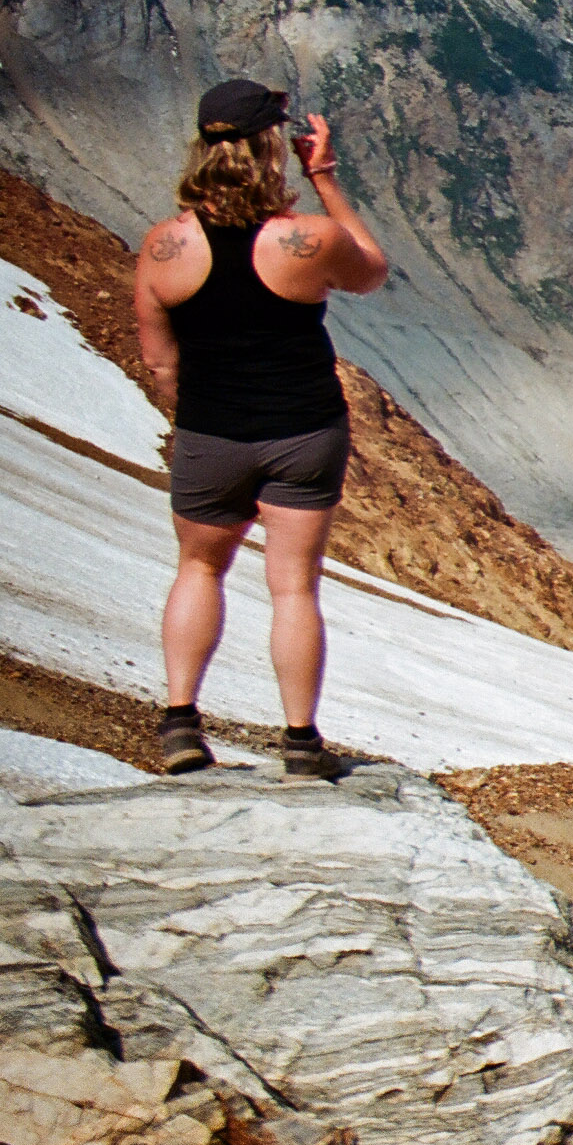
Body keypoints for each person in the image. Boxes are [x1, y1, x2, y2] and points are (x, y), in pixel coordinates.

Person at [131, 80, 390, 778]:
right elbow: (370, 272)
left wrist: (202, 413)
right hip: (303, 430)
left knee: (198, 567)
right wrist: (326, 180)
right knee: (294, 588)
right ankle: (301, 741)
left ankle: (181, 722)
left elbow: (159, 360)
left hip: (211, 431)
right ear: (272, 146)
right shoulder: (303, 240)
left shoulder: (164, 246)